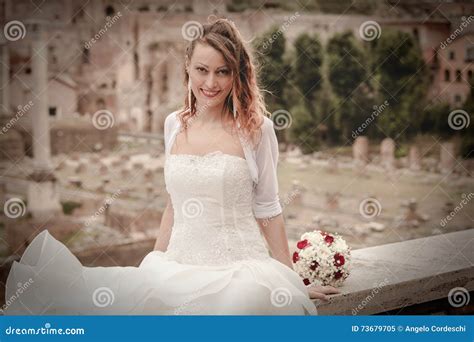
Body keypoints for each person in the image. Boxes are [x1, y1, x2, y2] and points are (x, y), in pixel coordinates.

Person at [4, 18, 339, 315]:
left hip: (239, 269)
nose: (211, 82)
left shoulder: (257, 130)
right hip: (177, 264)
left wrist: (289, 279)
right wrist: (153, 265)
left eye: (223, 71)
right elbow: (173, 205)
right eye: (202, 70)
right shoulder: (173, 125)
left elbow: (268, 208)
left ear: (237, 74)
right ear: (188, 70)